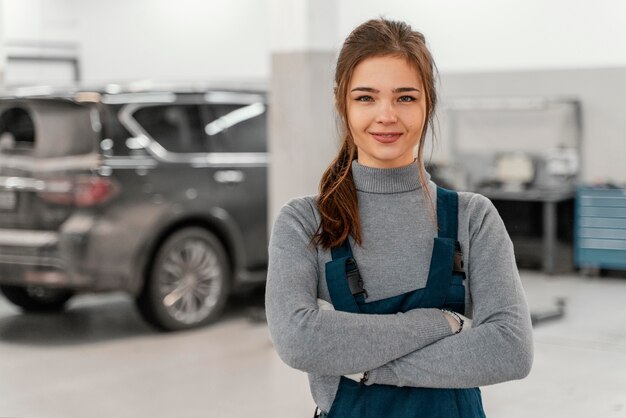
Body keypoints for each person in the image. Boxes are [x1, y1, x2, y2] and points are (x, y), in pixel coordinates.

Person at [265, 18, 533, 418]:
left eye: (405, 97)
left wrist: (363, 367)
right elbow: (299, 340)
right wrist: (438, 324)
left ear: (429, 104)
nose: (386, 115)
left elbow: (510, 349)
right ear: (343, 103)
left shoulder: (472, 218)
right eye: (366, 98)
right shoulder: (304, 222)